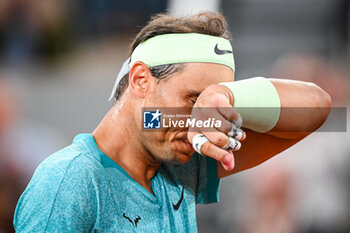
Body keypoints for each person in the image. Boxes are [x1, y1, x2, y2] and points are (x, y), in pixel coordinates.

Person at [13, 12, 331, 232]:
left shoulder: (183, 158)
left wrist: (226, 96)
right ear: (140, 80)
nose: (202, 120)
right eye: (193, 100)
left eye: (214, 105)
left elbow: (318, 107)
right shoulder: (70, 181)